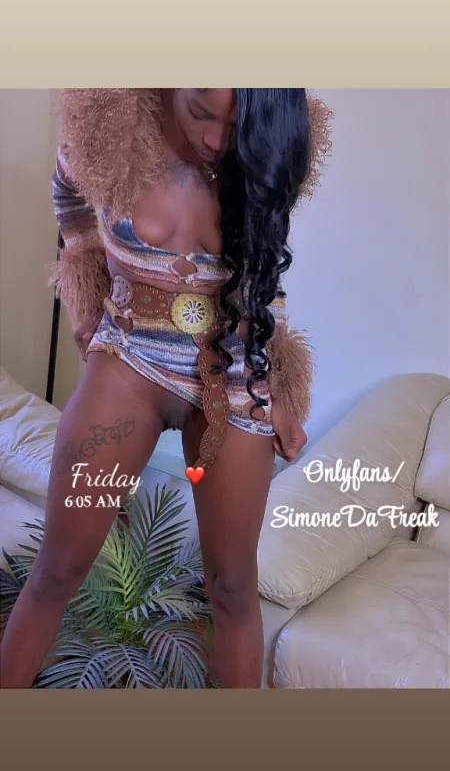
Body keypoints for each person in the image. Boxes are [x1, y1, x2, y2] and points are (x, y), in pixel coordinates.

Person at [0, 89, 332, 688]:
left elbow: (264, 269)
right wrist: (85, 284)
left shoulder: (270, 141)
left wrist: (278, 383)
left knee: (233, 588)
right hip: (131, 359)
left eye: (235, 123)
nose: (216, 139)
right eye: (200, 112)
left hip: (233, 369)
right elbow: (68, 194)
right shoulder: (109, 127)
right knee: (58, 569)